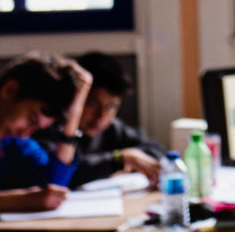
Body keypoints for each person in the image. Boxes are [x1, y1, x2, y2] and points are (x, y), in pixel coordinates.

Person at [35, 51, 163, 188]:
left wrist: (131, 159)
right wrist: (120, 159)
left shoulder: (110, 129)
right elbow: (60, 172)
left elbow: (154, 149)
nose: (101, 116)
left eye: (111, 107)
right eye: (92, 104)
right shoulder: (47, 127)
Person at [0, 51, 92, 212]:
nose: (25, 134)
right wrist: (20, 201)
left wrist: (74, 115)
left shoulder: (12, 141)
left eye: (36, 128)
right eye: (30, 120)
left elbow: (54, 186)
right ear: (10, 90)